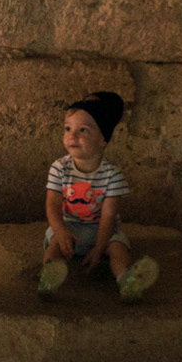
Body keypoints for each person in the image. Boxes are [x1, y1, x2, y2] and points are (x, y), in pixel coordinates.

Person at [38, 91, 159, 302]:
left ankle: (128, 283)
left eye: (83, 130)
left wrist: (100, 247)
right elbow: (53, 204)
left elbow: (108, 215)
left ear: (102, 138)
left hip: (102, 230)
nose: (72, 136)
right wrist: (60, 231)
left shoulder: (112, 175)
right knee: (55, 246)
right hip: (69, 225)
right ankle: (48, 280)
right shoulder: (59, 168)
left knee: (118, 249)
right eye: (68, 128)